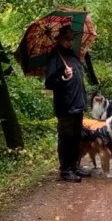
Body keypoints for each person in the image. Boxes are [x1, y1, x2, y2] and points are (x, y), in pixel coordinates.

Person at [44, 21, 91, 183]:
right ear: (60, 39)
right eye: (68, 39)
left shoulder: (71, 55)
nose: (71, 41)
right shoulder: (55, 57)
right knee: (66, 138)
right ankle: (66, 170)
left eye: (72, 39)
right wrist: (62, 76)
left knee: (77, 137)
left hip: (77, 103)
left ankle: (75, 166)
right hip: (65, 106)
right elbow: (49, 83)